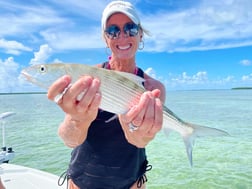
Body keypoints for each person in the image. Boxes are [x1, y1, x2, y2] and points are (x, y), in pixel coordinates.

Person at [47, 1, 166, 188]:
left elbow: (141, 141)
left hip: (132, 183)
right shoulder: (87, 79)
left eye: (131, 28)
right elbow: (70, 140)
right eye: (113, 30)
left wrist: (134, 129)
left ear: (140, 34)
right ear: (105, 38)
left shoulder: (153, 88)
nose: (122, 36)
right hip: (82, 182)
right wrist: (77, 119)